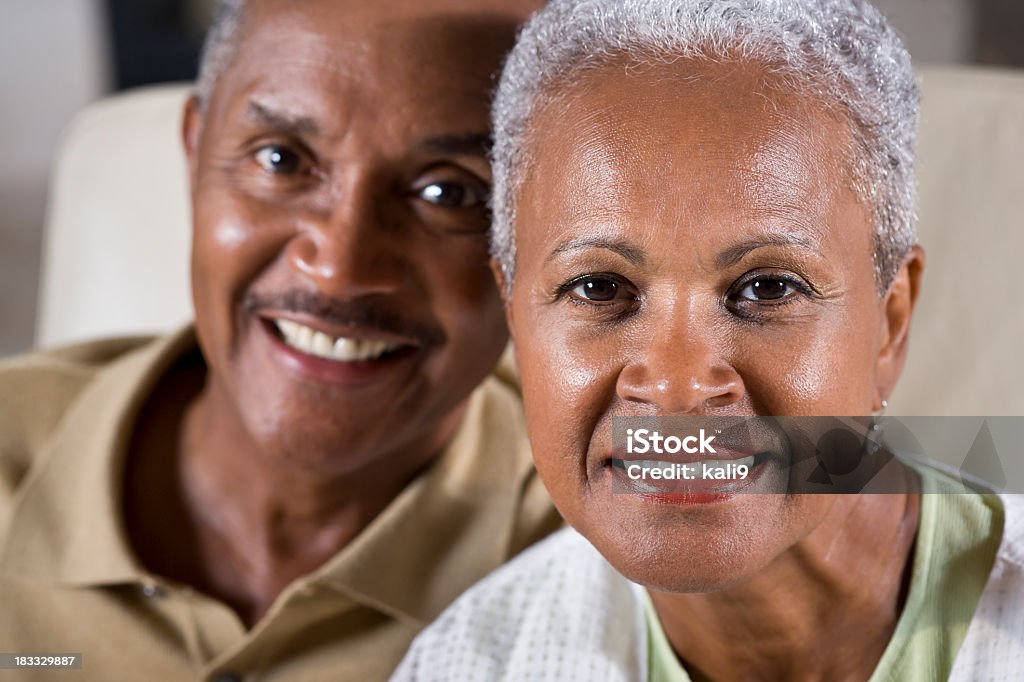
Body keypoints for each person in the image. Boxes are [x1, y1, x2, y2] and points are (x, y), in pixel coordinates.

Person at [392, 0, 1024, 680]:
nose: (677, 384)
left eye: (769, 288)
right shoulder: (472, 662)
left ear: (890, 323)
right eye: (599, 288)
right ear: (515, 316)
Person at [0, 0, 560, 679]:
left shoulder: (609, 552)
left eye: (448, 193)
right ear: (194, 151)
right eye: (281, 159)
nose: (340, 268)